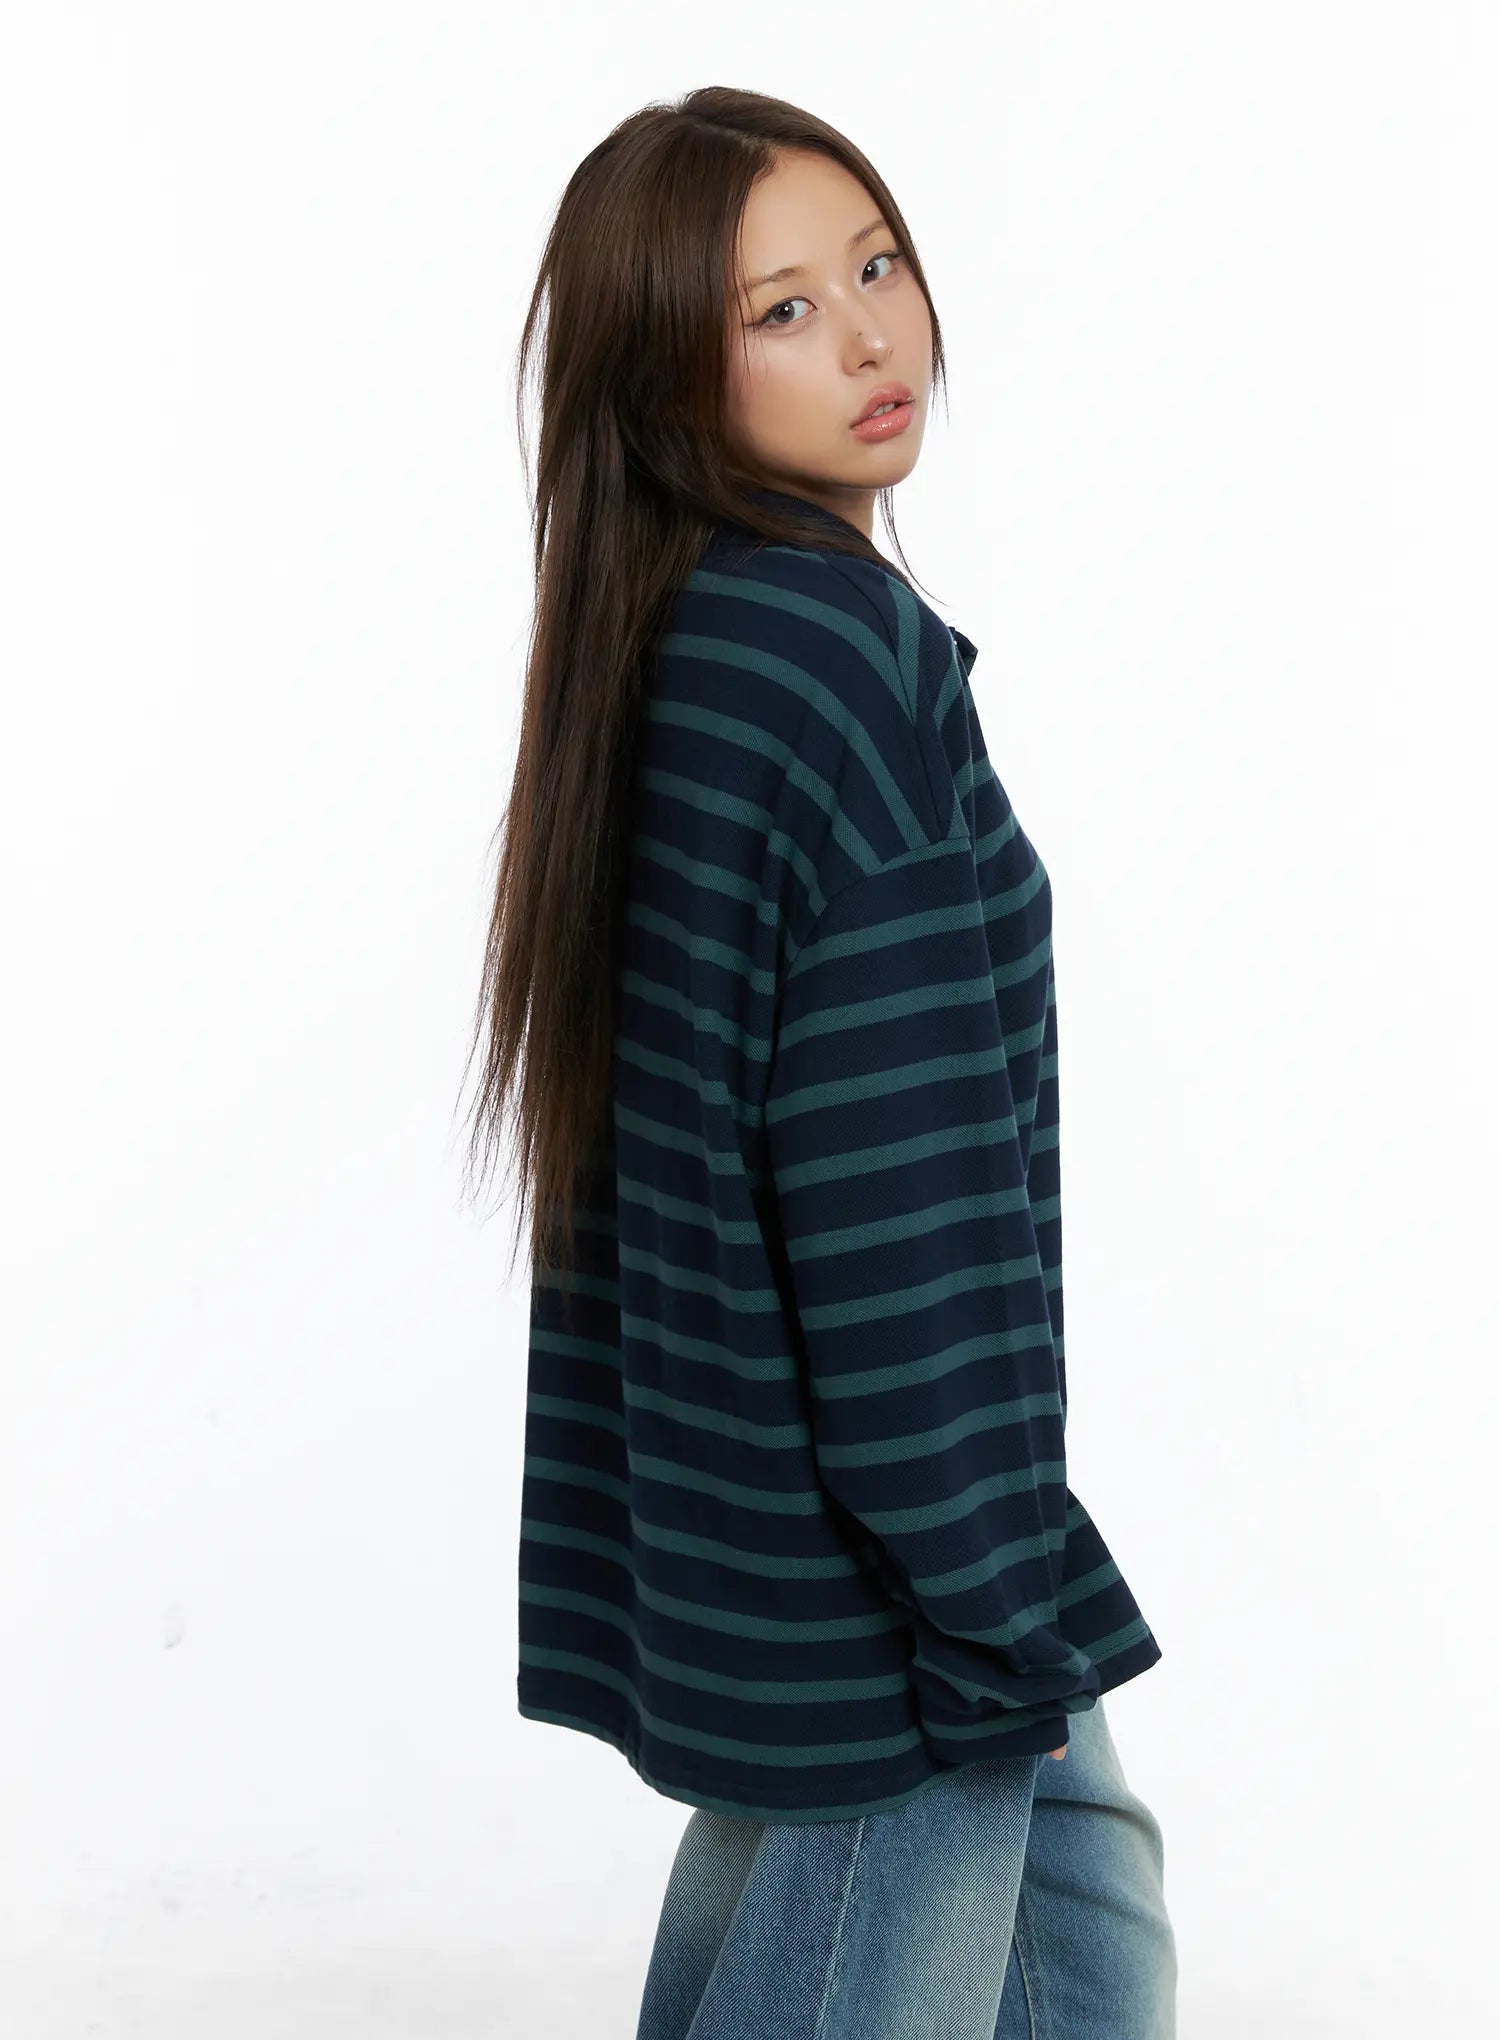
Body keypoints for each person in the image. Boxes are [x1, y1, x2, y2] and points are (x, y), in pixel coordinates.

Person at [463, 84, 1176, 2040]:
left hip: (783, 1525)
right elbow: (886, 1199)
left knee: (1093, 1909)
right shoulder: (836, 669)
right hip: (889, 1553)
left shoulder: (682, 638)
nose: (869, 335)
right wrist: (984, 1587)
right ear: (662, 376)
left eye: (876, 267)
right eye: (780, 309)